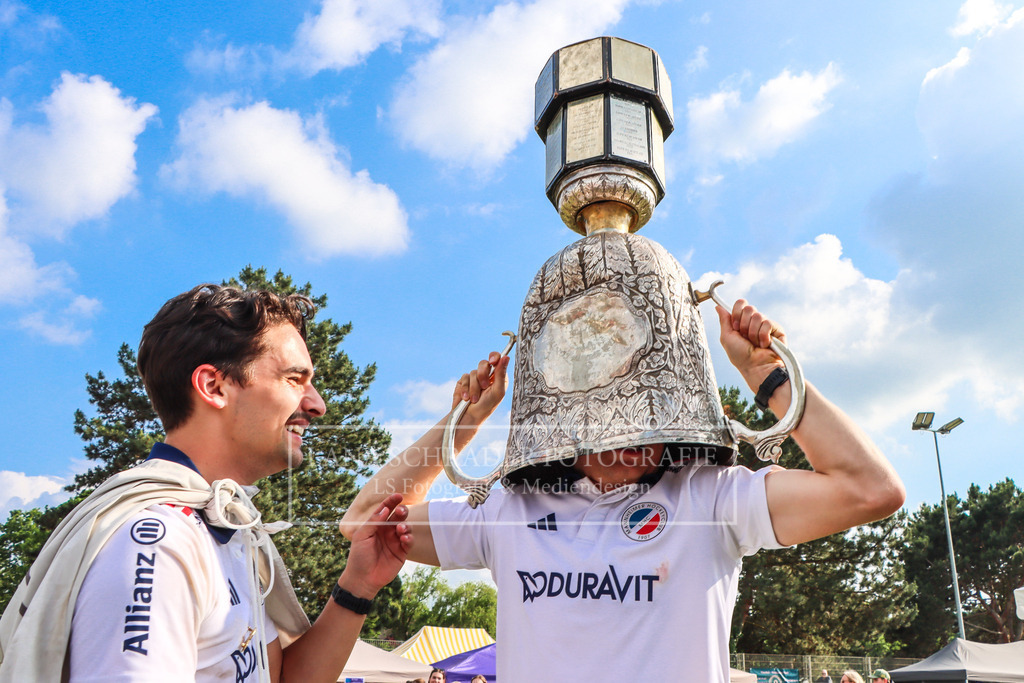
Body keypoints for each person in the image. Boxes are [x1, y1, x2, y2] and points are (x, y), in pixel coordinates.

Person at [340, 300, 906, 682]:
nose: (632, 425)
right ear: (567, 407)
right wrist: (464, 420)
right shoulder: (510, 509)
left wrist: (768, 377)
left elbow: (871, 490)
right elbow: (364, 522)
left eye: (648, 402)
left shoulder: (711, 498)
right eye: (608, 403)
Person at [0, 284, 413, 683]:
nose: (317, 404)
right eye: (294, 379)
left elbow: (283, 678)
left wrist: (358, 584)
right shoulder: (158, 542)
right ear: (214, 387)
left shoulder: (227, 530)